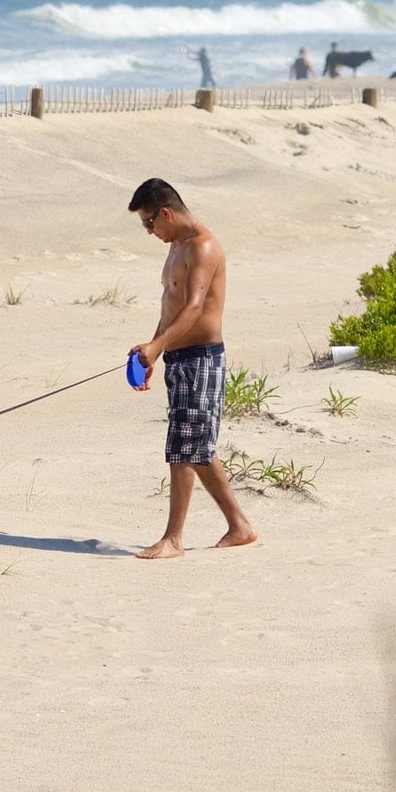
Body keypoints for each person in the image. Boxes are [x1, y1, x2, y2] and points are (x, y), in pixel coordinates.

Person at [124, 177, 257, 560]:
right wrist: (152, 349)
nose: (150, 232)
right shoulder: (176, 246)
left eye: (150, 223)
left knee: (183, 445)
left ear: (165, 213)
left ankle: (173, 539)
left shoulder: (203, 246)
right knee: (196, 447)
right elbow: (171, 305)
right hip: (177, 356)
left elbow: (195, 308)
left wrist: (157, 346)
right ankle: (240, 525)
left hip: (201, 358)